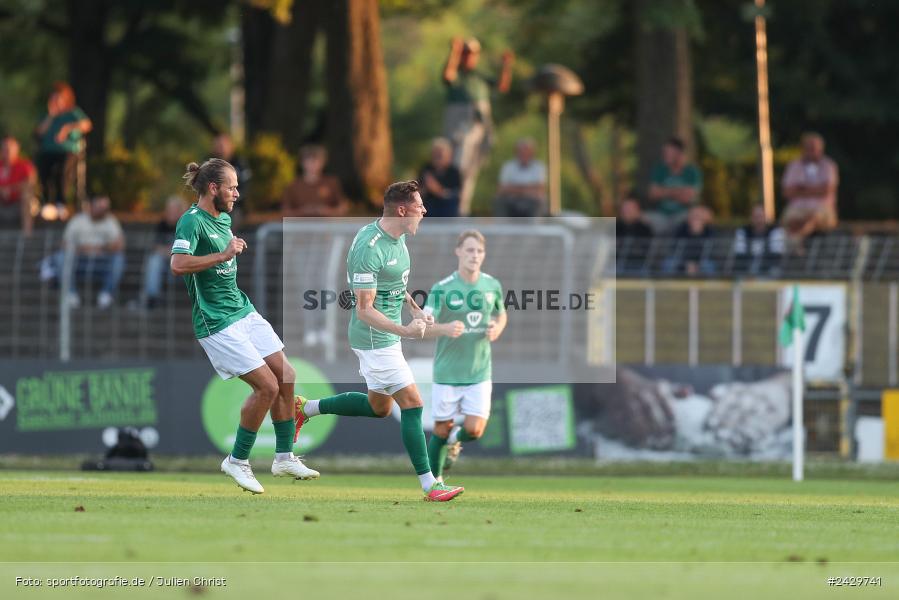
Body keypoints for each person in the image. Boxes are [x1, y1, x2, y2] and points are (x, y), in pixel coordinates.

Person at [293, 180, 465, 502]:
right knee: (413, 404)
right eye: (419, 206)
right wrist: (404, 331)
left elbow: (395, 287)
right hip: (374, 337)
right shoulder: (368, 247)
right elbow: (364, 309)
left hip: (386, 335)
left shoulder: (398, 239)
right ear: (402, 210)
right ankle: (431, 485)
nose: (425, 210)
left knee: (379, 408)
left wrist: (416, 310)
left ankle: (306, 408)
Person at [171, 158, 318, 494]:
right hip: (216, 321)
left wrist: (227, 252)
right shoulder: (190, 222)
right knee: (266, 387)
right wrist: (222, 255)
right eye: (232, 187)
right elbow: (177, 265)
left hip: (243, 310)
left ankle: (284, 457)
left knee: (287, 376)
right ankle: (237, 461)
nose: (237, 193)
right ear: (213, 188)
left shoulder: (224, 217)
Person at [423, 230, 506, 481]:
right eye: (470, 250)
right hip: (448, 372)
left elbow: (501, 314)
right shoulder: (442, 288)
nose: (475, 255)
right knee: (439, 429)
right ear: (458, 252)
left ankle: (455, 440)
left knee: (474, 430)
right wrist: (445, 328)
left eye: (479, 251)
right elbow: (424, 327)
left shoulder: (492, 285)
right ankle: (434, 483)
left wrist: (497, 328)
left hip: (479, 371)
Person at [442, 37, 514, 215]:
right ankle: (453, 206)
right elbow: (447, 76)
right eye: (465, 53)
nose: (469, 57)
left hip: (479, 121)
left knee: (471, 168)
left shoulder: (479, 76)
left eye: (472, 53)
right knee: (457, 164)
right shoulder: (457, 73)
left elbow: (502, 86)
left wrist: (506, 65)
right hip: (460, 121)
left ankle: (461, 209)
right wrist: (454, 52)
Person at [41, 195, 125, 309]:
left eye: (105, 208)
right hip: (79, 261)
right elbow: (64, 244)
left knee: (119, 259)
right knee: (60, 257)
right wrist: (82, 249)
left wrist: (101, 249)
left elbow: (120, 245)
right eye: (99, 207)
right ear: (91, 206)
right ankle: (71, 294)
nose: (102, 210)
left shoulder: (111, 221)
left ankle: (106, 294)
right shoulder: (78, 220)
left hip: (102, 261)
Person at [34, 82, 92, 221]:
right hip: (48, 152)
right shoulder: (47, 115)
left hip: (68, 151)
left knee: (63, 173)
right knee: (44, 173)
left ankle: (61, 203)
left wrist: (68, 128)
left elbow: (87, 124)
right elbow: (39, 132)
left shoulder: (73, 113)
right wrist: (50, 116)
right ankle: (48, 203)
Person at [781, 132, 839, 242]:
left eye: (814, 148)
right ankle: (798, 246)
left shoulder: (829, 165)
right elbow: (787, 192)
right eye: (808, 148)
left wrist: (801, 189)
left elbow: (827, 190)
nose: (811, 152)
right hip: (797, 208)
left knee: (812, 218)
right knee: (792, 219)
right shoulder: (793, 166)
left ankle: (795, 242)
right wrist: (816, 189)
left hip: (823, 209)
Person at [645, 137, 703, 234]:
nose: (664, 156)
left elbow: (688, 198)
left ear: (679, 153)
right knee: (632, 214)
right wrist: (679, 191)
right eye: (664, 153)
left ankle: (690, 248)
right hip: (661, 215)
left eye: (668, 153)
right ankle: (618, 248)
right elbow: (652, 194)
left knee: (698, 217)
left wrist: (663, 191)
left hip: (683, 214)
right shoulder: (659, 169)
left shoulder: (692, 172)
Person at [139, 196, 187, 309]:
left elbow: (186, 249)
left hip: (183, 264)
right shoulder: (162, 224)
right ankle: (152, 297)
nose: (169, 212)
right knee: (154, 260)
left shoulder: (186, 225)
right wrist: (170, 251)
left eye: (173, 210)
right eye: (168, 209)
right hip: (166, 261)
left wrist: (170, 251)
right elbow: (155, 246)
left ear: (180, 211)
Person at [281, 145, 349, 217]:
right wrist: (303, 211)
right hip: (301, 226)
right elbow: (285, 212)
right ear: (302, 163)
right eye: (309, 160)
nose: (313, 164)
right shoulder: (293, 185)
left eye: (317, 160)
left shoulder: (332, 182)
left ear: (323, 162)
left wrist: (328, 211)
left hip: (327, 225)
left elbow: (343, 207)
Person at [494, 138, 547, 217]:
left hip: (531, 201)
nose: (524, 153)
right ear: (516, 152)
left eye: (526, 151)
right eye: (521, 151)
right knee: (498, 200)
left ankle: (535, 228)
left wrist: (513, 188)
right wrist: (528, 189)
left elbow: (540, 188)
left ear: (532, 152)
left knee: (539, 201)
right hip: (511, 201)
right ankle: (502, 228)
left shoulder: (539, 167)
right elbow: (501, 188)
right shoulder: (508, 166)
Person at [662, 205, 716, 276]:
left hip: (701, 259)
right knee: (669, 263)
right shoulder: (681, 229)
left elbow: (710, 251)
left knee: (708, 265)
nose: (695, 218)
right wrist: (687, 263)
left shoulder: (709, 231)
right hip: (682, 258)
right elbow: (675, 248)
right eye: (693, 215)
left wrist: (697, 234)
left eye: (698, 216)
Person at [733, 204, 785, 276]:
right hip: (747, 269)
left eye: (760, 216)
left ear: (765, 217)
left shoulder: (775, 231)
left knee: (775, 271)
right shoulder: (743, 232)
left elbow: (776, 255)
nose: (758, 220)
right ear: (751, 218)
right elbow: (740, 254)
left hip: (768, 270)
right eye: (755, 217)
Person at [0, 135, 36, 235]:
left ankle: (27, 235)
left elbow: (30, 184)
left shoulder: (25, 166)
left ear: (17, 149)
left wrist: (10, 190)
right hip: (2, 203)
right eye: (4, 148)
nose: (7, 151)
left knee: (26, 196)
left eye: (9, 148)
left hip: (18, 204)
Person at [418, 138, 461, 218]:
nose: (437, 158)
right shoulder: (426, 169)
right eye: (435, 155)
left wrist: (438, 190)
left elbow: (454, 195)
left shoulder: (454, 172)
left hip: (446, 213)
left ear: (448, 156)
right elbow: (419, 191)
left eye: (440, 155)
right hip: (428, 212)